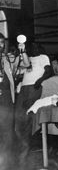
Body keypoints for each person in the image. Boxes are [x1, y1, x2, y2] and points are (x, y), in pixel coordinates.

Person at [14, 42, 53, 169]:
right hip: (23, 89)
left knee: (28, 116)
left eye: (36, 46)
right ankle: (22, 144)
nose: (34, 48)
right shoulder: (27, 59)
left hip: (34, 88)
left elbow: (48, 72)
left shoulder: (43, 57)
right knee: (18, 117)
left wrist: (39, 81)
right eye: (32, 47)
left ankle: (26, 148)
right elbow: (21, 73)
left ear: (40, 47)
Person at [0, 33, 29, 169]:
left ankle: (6, 165)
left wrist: (22, 50)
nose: (0, 45)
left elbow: (26, 64)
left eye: (1, 43)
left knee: (8, 134)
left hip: (6, 102)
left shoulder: (6, 60)